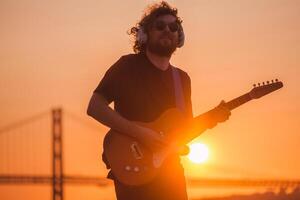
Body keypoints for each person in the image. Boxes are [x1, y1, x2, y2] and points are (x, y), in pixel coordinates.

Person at [87, 1, 231, 200]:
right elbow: (94, 106)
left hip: (171, 174)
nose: (167, 30)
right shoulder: (127, 66)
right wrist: (141, 133)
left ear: (179, 37)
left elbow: (184, 131)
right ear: (144, 34)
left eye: (174, 27)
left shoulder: (182, 79)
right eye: (160, 26)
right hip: (133, 169)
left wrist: (212, 119)